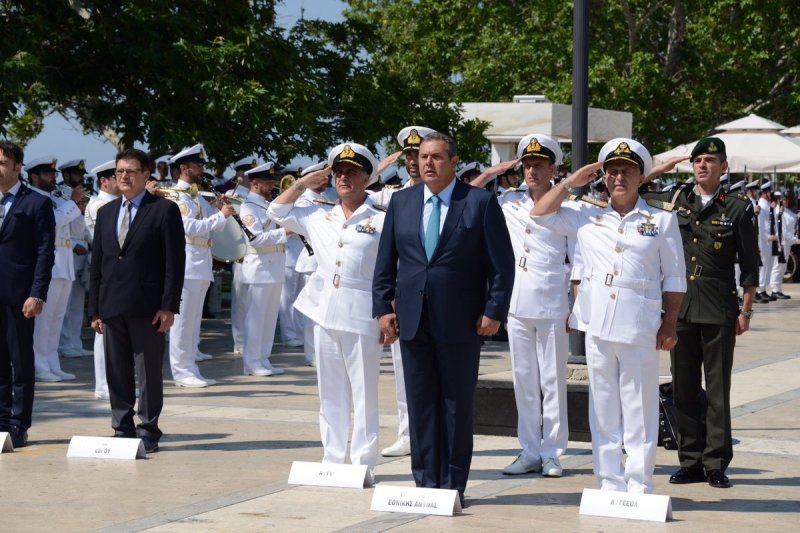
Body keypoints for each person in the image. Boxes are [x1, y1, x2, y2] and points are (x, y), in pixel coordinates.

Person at [532, 138, 686, 494]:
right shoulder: (586, 214)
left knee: (640, 407)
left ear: (641, 177)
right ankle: (609, 480)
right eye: (612, 171)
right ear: (602, 176)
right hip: (598, 324)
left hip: (640, 325)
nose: (618, 178)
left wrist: (670, 323)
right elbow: (540, 213)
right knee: (602, 408)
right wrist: (571, 181)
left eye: (626, 171)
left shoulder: (660, 220)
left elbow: (675, 277)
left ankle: (639, 481)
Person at [372, 132, 515, 506]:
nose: (428, 164)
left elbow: (501, 266)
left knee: (455, 404)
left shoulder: (480, 202)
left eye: (436, 157)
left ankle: (452, 485)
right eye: (422, 157)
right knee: (420, 404)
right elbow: (385, 262)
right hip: (413, 319)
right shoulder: (402, 203)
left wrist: (494, 311)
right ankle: (425, 484)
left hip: (462, 321)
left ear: (454, 162)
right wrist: (383, 308)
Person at [268, 143, 385, 481]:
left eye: (351, 172)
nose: (343, 178)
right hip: (324, 312)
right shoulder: (317, 213)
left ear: (367, 178)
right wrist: (304, 183)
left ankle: (363, 461)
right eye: (338, 173)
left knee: (364, 394)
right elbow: (276, 211)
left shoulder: (380, 219)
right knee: (330, 392)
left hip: (363, 313)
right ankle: (333, 458)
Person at [650, 137, 759, 489]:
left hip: (718, 309)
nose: (702, 165)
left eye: (710, 160)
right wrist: (661, 168)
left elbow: (751, 265)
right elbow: (634, 189)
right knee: (682, 389)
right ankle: (691, 462)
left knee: (717, 390)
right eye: (697, 160)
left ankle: (716, 464)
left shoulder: (738, 208)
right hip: (680, 309)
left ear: (723, 166)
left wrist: (745, 310)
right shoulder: (677, 200)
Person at [88, 149, 185, 453]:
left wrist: (169, 306)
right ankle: (122, 426)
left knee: (148, 372)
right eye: (119, 172)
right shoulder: (106, 212)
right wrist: (95, 310)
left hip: (148, 306)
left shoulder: (163, 210)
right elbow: (98, 265)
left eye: (131, 171)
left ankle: (148, 428)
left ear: (146, 175)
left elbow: (174, 262)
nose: (124, 177)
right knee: (116, 371)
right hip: (112, 304)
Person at [497, 134, 573, 478]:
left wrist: (577, 303)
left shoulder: (571, 207)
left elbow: (580, 259)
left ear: (553, 168)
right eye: (527, 165)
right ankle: (529, 449)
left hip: (553, 302)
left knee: (553, 381)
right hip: (517, 302)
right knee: (523, 380)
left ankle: (553, 452)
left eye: (539, 165)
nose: (531, 171)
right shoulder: (508, 202)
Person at [375, 125, 436, 458]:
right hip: (404, 295)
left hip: (439, 296)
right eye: (409, 155)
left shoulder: (445, 194)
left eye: (419, 155)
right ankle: (407, 432)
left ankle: (432, 432)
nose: (413, 162)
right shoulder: (392, 196)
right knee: (403, 370)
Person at [0, 141, 56, 448]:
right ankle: (0, 422)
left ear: (18, 168)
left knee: (20, 363)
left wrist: (37, 294)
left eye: (2, 163)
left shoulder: (36, 203)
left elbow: (44, 252)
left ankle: (19, 424)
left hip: (19, 296)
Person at [166, 144, 236, 387]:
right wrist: (221, 215)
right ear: (184, 168)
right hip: (186, 265)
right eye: (198, 165)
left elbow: (213, 226)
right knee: (182, 322)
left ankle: (190, 367)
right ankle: (181, 371)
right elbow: (188, 227)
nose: (202, 169)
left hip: (200, 264)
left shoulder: (195, 195)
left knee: (194, 322)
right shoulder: (177, 196)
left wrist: (219, 209)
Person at [26, 156, 86, 382]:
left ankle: (52, 362)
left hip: (64, 264)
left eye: (52, 174)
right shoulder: (32, 199)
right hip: (49, 265)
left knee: (56, 319)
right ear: (34, 176)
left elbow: (76, 227)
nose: (52, 178)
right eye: (47, 174)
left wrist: (79, 205)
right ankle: (39, 365)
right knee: (44, 320)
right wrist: (72, 203)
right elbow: (52, 222)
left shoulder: (56, 197)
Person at [239, 162, 287, 376]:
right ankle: (251, 362)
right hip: (259, 269)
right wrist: (285, 233)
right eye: (268, 182)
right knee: (256, 319)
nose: (272, 186)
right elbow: (256, 239)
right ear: (255, 183)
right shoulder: (248, 206)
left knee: (269, 319)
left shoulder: (269, 205)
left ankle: (263, 359)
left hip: (275, 266)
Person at [292, 162, 337, 367]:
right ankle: (312, 353)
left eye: (328, 176)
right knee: (313, 312)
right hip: (312, 262)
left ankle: (326, 352)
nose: (326, 179)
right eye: (322, 176)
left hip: (328, 261)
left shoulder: (327, 197)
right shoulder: (303, 202)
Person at [84, 160, 120, 400]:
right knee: (103, 330)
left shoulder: (119, 205)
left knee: (118, 332)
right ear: (104, 181)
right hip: (107, 273)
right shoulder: (98, 205)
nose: (122, 180)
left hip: (122, 275)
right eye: (117, 176)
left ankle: (115, 383)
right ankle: (103, 385)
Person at [57, 159, 93, 359]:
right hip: (67, 251)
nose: (81, 178)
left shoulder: (84, 195)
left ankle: (75, 341)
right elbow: (61, 225)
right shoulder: (60, 195)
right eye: (76, 175)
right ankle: (64, 344)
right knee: (64, 304)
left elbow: (83, 225)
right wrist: (75, 244)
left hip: (82, 253)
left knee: (77, 303)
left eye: (81, 175)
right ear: (66, 176)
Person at [229, 156, 258, 354]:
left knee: (255, 303)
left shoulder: (256, 197)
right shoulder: (233, 196)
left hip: (257, 255)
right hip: (241, 253)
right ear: (240, 174)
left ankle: (253, 342)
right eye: (248, 173)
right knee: (240, 301)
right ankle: (239, 342)